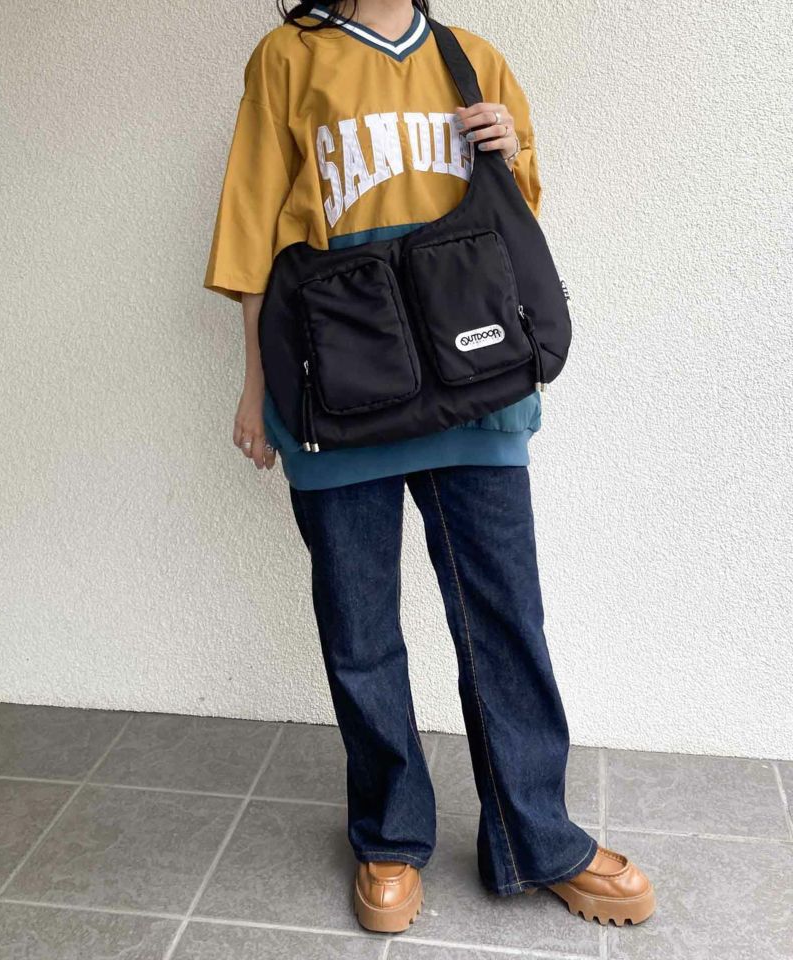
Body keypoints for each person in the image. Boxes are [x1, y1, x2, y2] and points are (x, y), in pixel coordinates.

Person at [203, 0, 655, 934]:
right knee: (359, 628)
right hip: (341, 382)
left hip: (474, 381)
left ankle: (539, 837)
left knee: (504, 619)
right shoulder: (287, 58)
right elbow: (254, 233)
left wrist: (508, 147)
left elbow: (516, 221)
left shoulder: (472, 58)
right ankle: (389, 835)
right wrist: (255, 386)